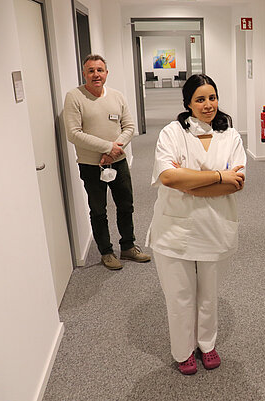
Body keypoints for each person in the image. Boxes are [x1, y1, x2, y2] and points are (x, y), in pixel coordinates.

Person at [146, 74, 246, 375]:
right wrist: (218, 176)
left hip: (214, 228)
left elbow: (236, 183)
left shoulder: (231, 136)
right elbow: (168, 177)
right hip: (174, 231)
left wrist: (188, 182)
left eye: (212, 98)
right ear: (188, 103)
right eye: (200, 99)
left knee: (208, 295)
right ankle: (183, 351)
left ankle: (207, 344)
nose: (208, 105)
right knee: (180, 296)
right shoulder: (172, 133)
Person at [64, 54, 151, 270]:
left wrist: (113, 151)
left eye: (100, 70)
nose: (96, 74)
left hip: (118, 161)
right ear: (84, 73)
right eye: (91, 70)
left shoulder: (117, 96)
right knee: (98, 210)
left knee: (126, 205)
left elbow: (129, 127)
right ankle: (106, 251)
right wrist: (107, 147)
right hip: (91, 165)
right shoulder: (74, 97)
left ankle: (128, 246)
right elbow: (74, 133)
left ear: (106, 73)